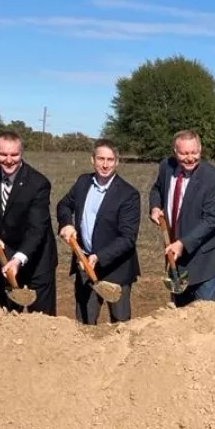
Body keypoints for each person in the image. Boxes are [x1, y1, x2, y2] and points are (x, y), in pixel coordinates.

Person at [0, 131, 58, 315]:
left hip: (36, 259)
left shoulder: (38, 183)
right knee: (7, 317)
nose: (9, 160)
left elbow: (37, 228)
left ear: (22, 153)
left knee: (42, 321)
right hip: (2, 258)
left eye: (14, 155)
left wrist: (18, 259)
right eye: (3, 154)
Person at [57, 139, 141, 324]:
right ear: (92, 160)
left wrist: (99, 257)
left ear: (117, 162)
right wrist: (66, 224)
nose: (105, 164)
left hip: (116, 269)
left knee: (120, 325)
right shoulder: (83, 182)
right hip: (84, 263)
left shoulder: (129, 194)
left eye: (110, 160)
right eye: (100, 159)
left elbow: (128, 238)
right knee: (84, 323)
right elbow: (64, 204)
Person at [148, 130, 215, 307]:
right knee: (180, 313)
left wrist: (182, 243)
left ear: (200, 150)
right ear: (175, 151)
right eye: (184, 153)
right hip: (176, 255)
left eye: (194, 152)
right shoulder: (166, 166)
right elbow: (156, 189)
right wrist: (155, 207)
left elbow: (212, 220)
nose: (190, 158)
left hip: (205, 257)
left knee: (203, 316)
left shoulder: (213, 178)